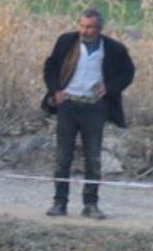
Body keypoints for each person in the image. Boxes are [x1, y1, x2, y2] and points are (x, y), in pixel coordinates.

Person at [41, 9, 136, 220]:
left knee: (93, 159)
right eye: (82, 25)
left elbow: (128, 72)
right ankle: (59, 203)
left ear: (99, 28)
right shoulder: (67, 42)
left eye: (90, 27)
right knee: (62, 157)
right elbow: (50, 66)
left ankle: (91, 204)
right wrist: (56, 90)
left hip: (94, 108)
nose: (85, 30)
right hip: (68, 105)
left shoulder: (113, 49)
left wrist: (110, 88)